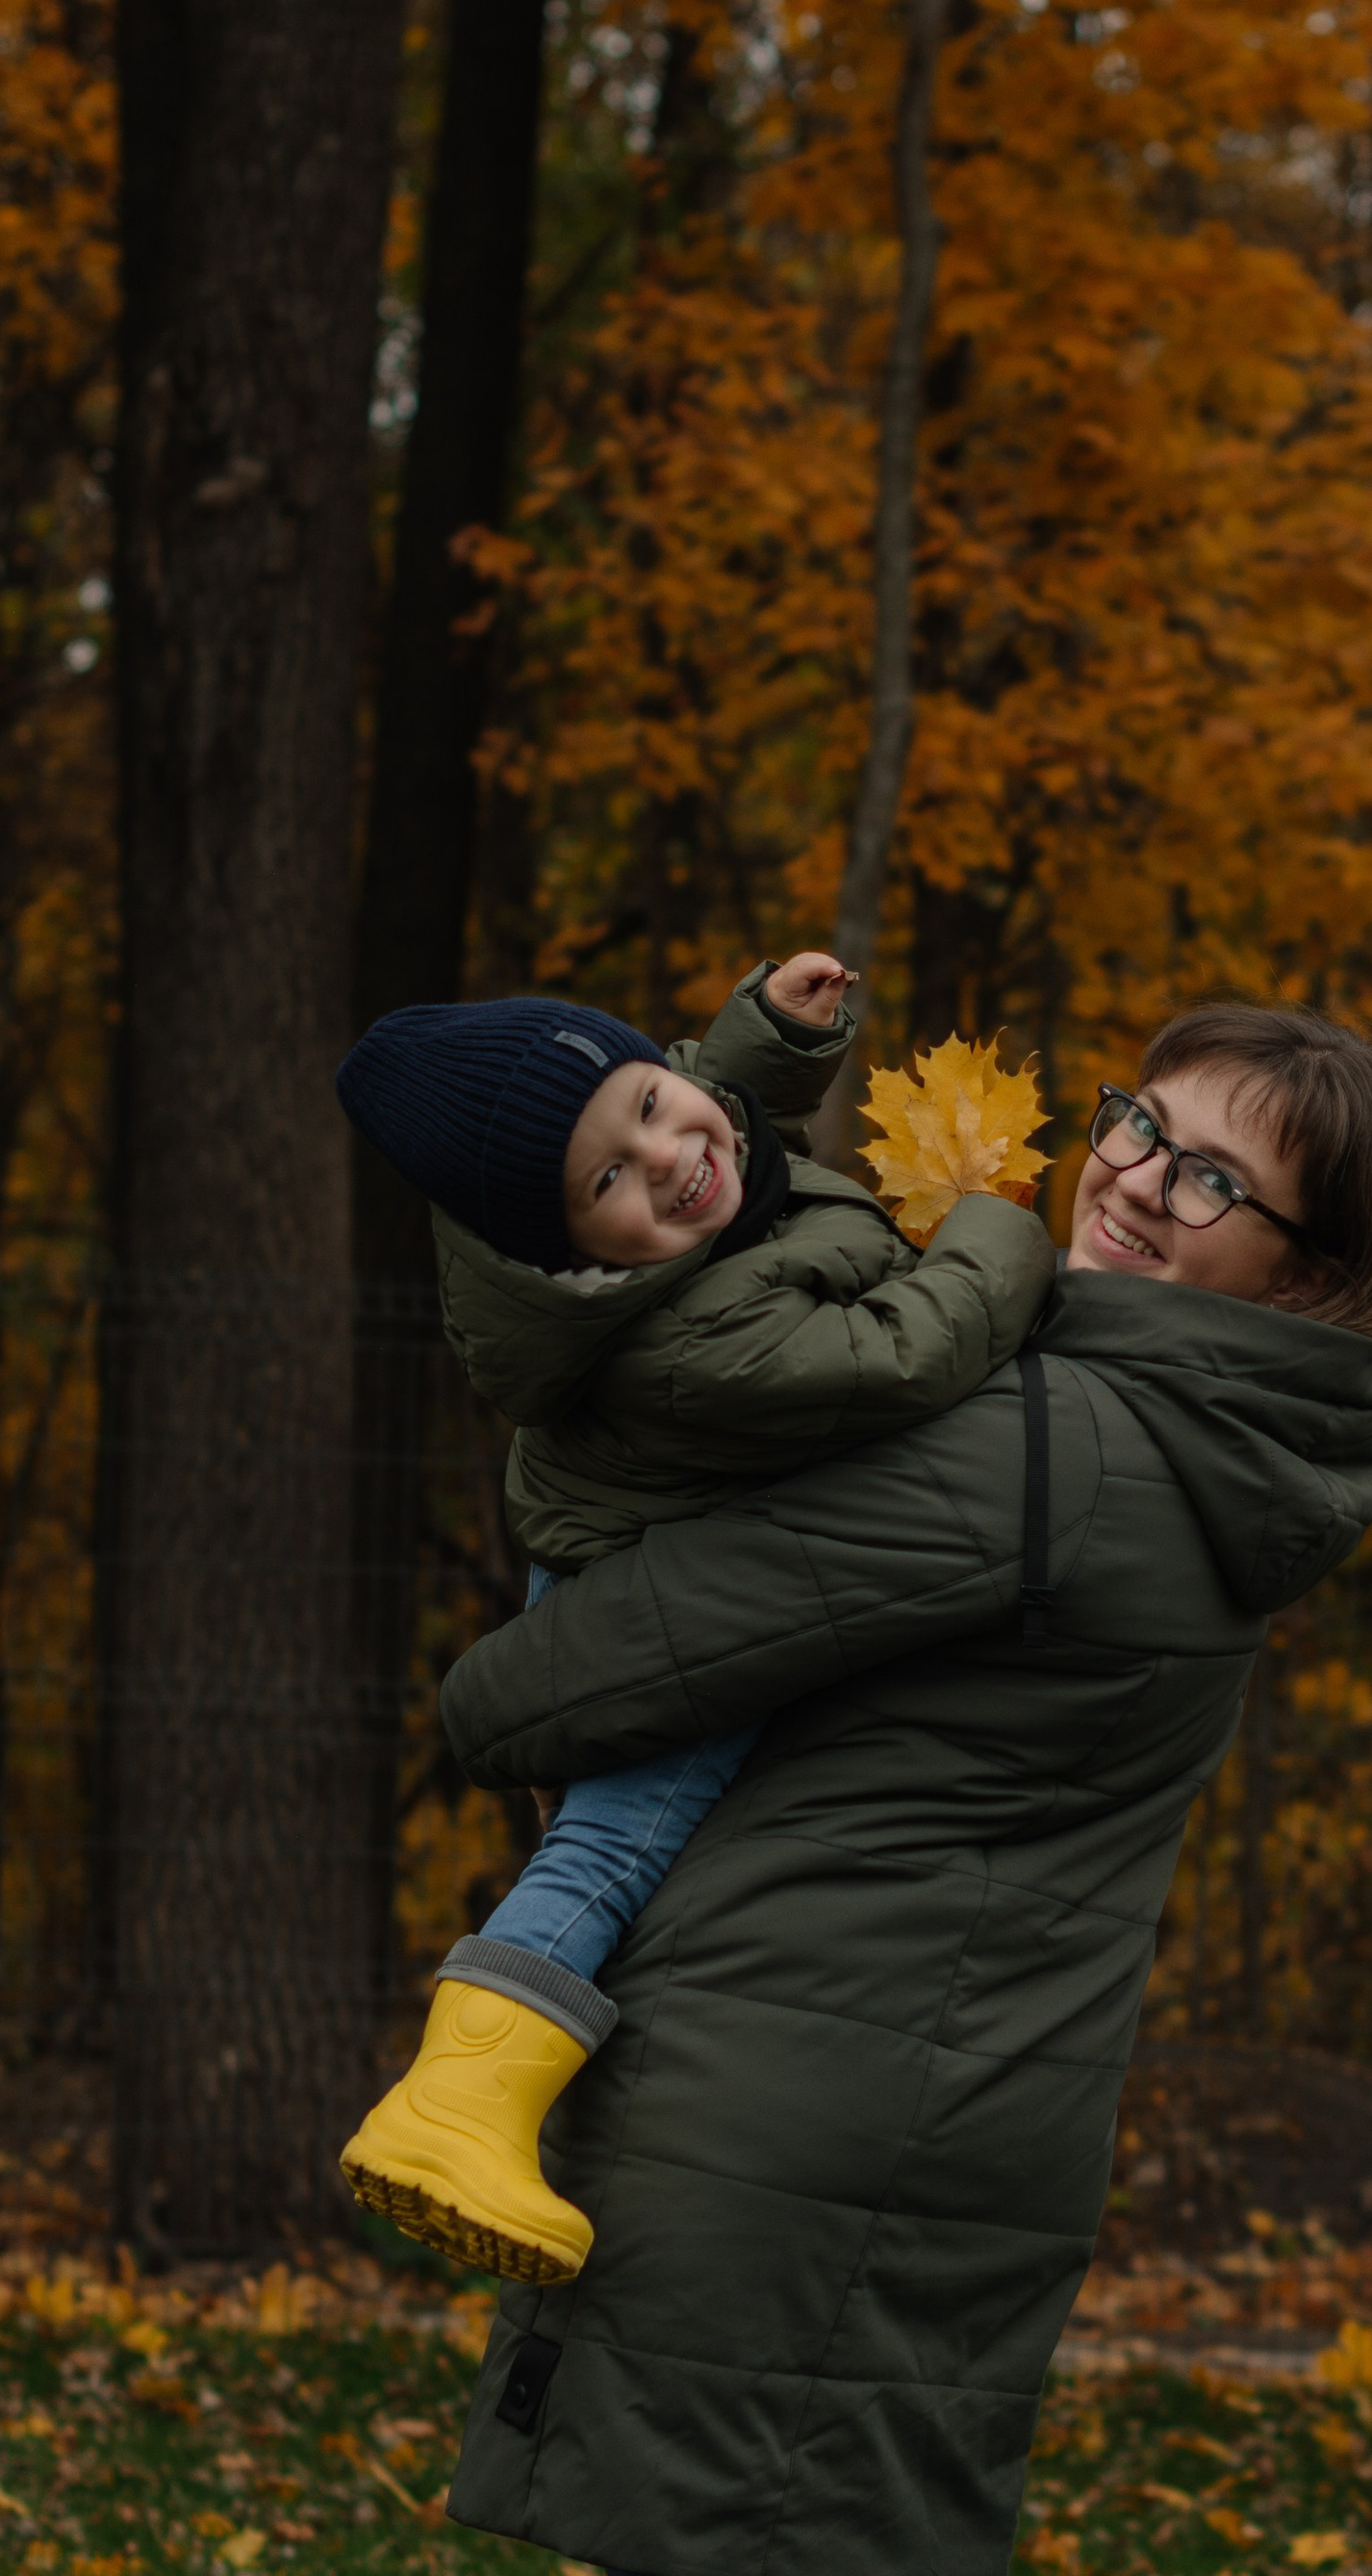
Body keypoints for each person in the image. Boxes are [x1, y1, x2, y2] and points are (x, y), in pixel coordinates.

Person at [436, 1001, 1372, 2576]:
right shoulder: (1230, 1466)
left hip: (777, 2100)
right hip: (980, 2122)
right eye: (1135, 1124)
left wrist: (492, 1669)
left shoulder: (1055, 1442)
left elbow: (574, 1686)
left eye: (1208, 1178)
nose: (1126, 1177)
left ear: (1308, 1272)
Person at [330, 952, 1056, 2285]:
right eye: (609, 1180)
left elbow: (718, 1104)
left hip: (655, 1556)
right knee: (620, 1835)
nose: (670, 1157)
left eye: (654, 1103)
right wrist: (992, 1229)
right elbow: (910, 1355)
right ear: (570, 1254)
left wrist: (767, 1037)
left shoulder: (693, 1191)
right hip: (650, 1598)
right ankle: (455, 2111)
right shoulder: (690, 1341)